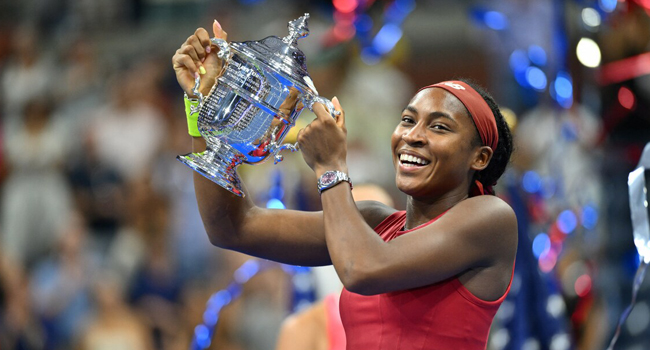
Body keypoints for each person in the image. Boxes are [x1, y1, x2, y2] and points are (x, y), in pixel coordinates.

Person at [172, 21, 517, 349]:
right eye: (408, 120)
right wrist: (205, 112)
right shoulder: (370, 224)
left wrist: (330, 166)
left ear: (480, 158)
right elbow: (232, 227)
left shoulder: (491, 218)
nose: (413, 136)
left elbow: (360, 270)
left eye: (439, 127)